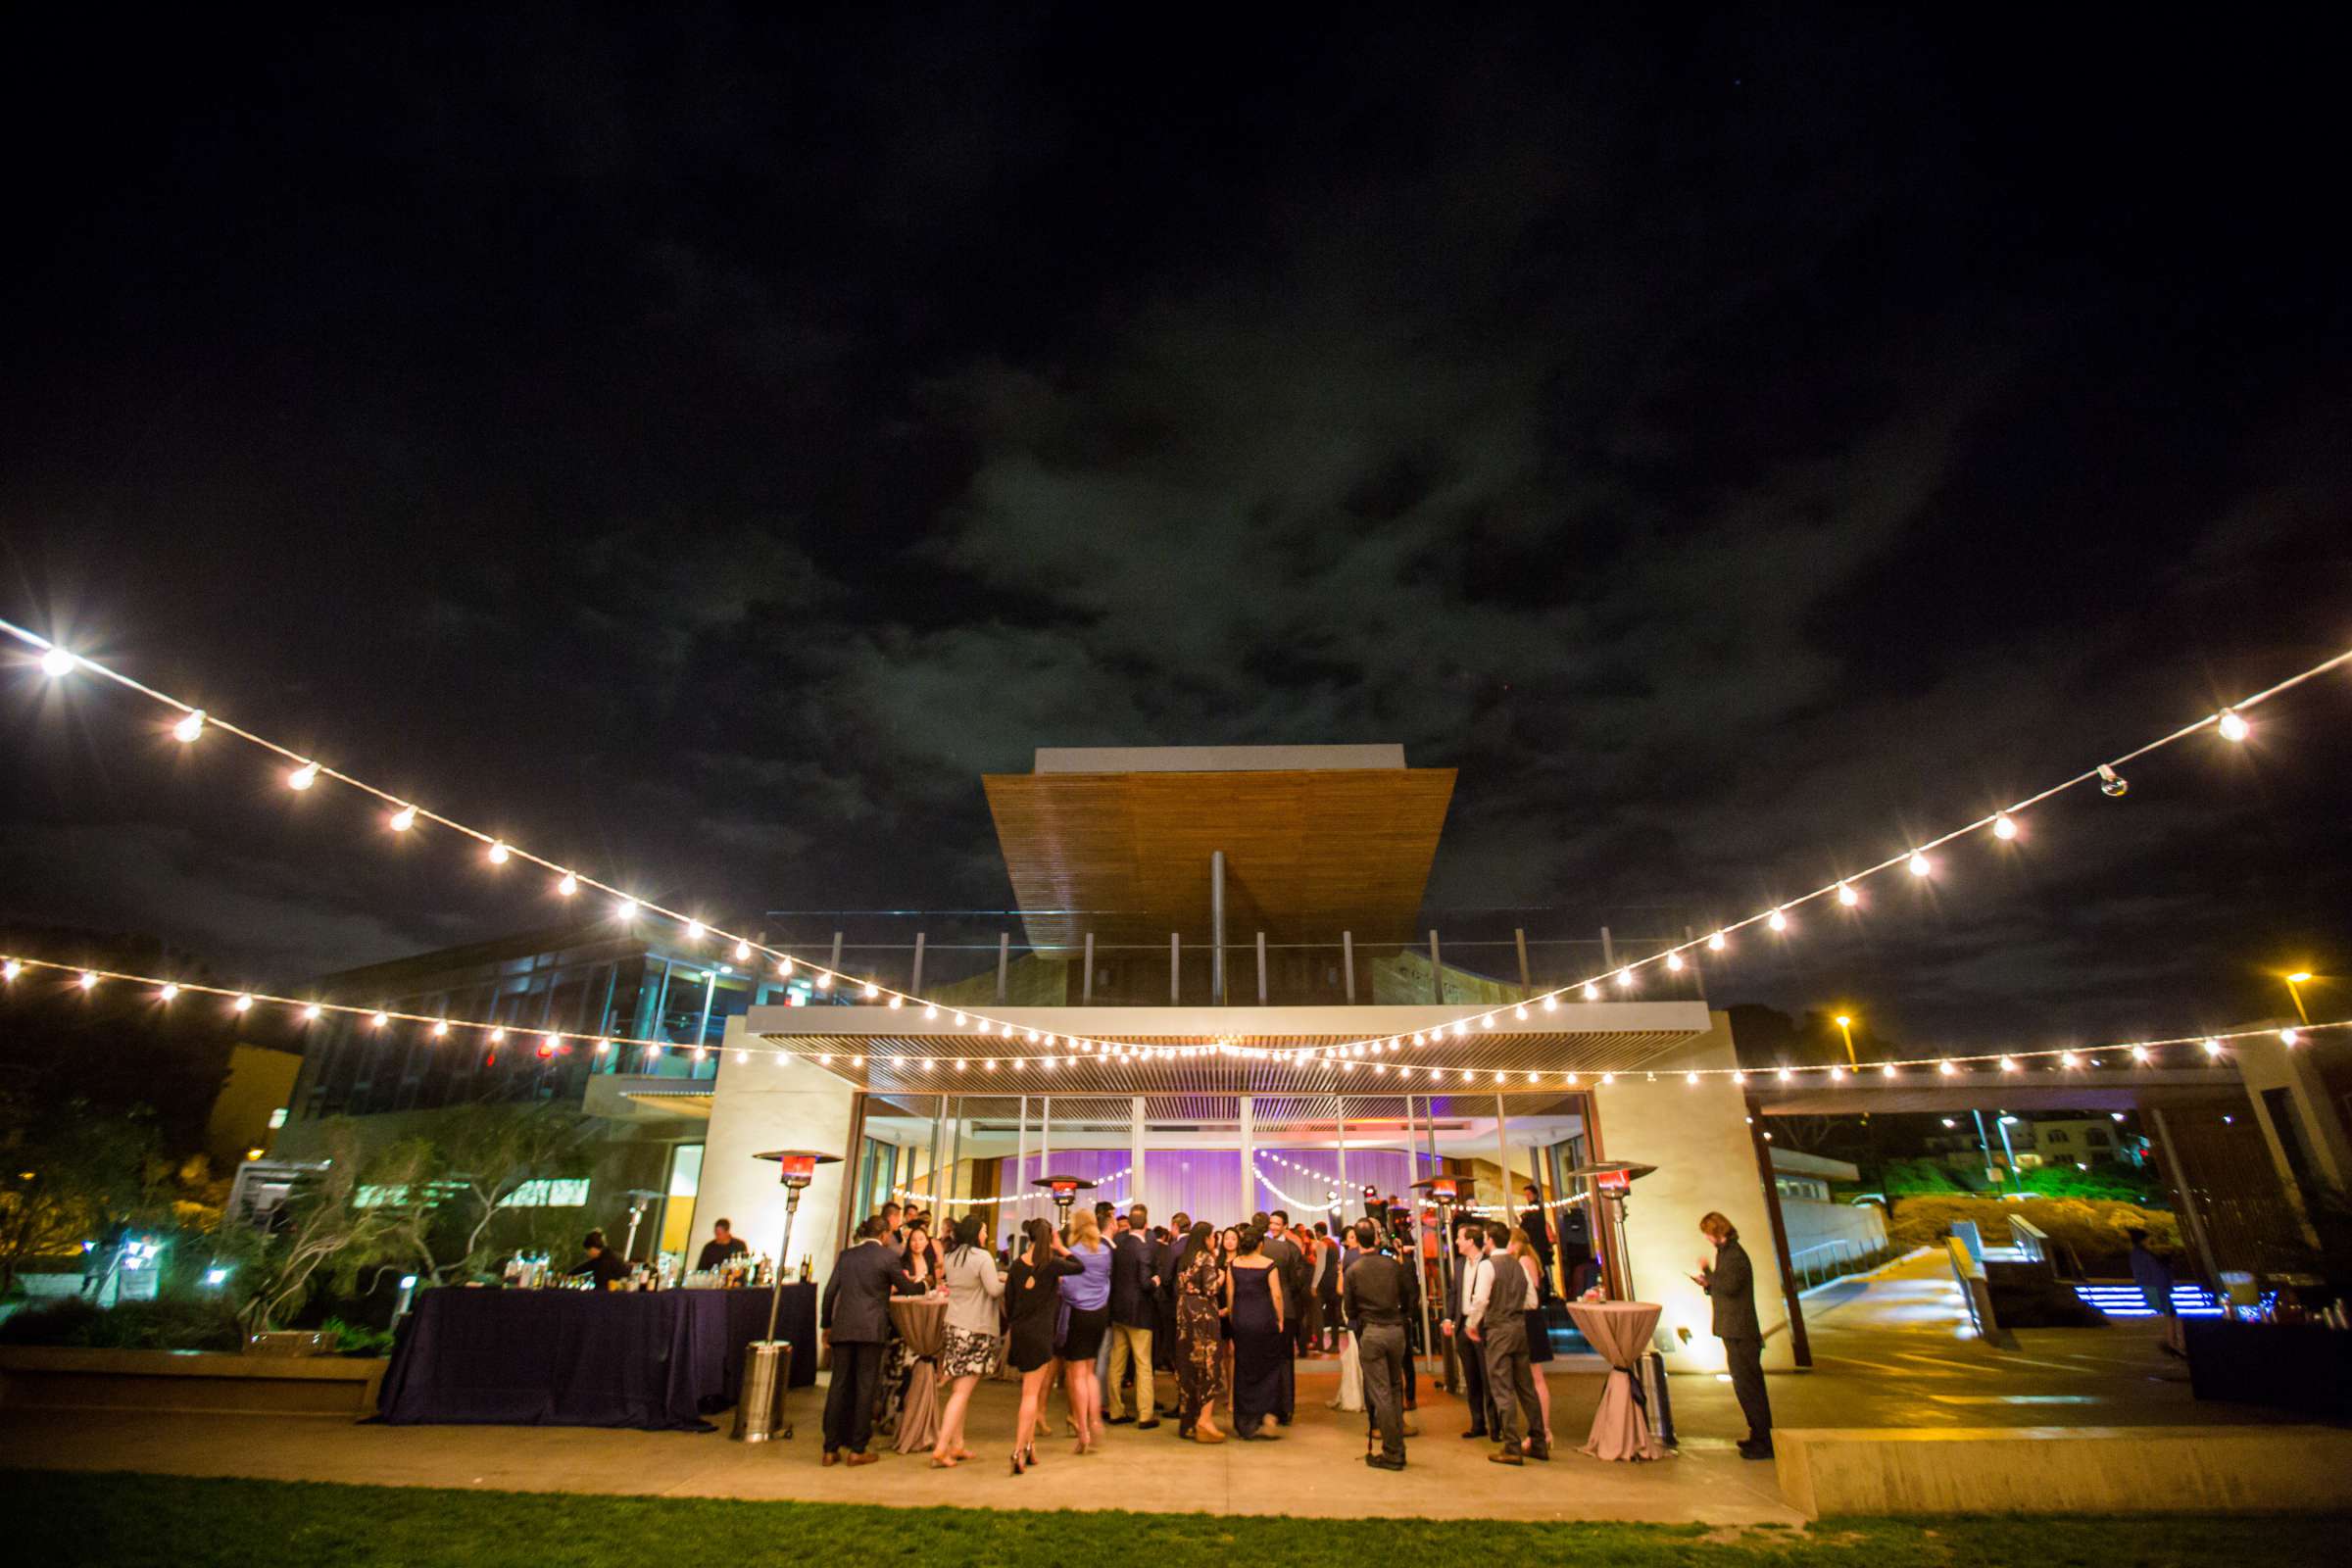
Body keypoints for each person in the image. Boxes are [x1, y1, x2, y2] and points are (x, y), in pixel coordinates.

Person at [818, 1214, 924, 1466]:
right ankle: (858, 1448)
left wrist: (826, 1325)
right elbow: (906, 1288)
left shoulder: (846, 1256)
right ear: (885, 1235)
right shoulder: (888, 1257)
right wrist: (924, 1286)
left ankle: (830, 1448)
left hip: (843, 1328)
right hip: (871, 1329)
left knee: (838, 1386)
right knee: (866, 1387)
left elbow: (830, 1292)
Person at [1694, 1210, 1772, 1458]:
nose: (1706, 1238)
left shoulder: (1735, 1255)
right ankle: (1757, 1435)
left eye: (1707, 1233)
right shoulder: (1726, 1254)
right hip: (1733, 1329)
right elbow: (1724, 1287)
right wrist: (1709, 1282)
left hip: (1741, 1331)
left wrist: (1708, 1274)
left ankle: (1764, 1440)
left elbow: (1730, 1286)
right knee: (1744, 1385)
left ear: (1717, 1232)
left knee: (1750, 1386)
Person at [1005, 1217, 1079, 1476]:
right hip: (1041, 1334)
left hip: (1021, 1332)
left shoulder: (1015, 1266)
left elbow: (1009, 1304)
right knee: (1030, 1396)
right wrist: (1061, 1246)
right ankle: (1017, 1449)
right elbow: (1079, 1266)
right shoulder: (1051, 1265)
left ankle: (1030, 1447)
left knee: (1029, 1392)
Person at [931, 1214, 1003, 1469]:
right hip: (976, 1327)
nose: (986, 1235)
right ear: (976, 1234)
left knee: (958, 1390)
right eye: (984, 1231)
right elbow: (993, 1290)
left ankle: (957, 1444)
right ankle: (941, 1448)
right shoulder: (982, 1258)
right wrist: (1008, 1282)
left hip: (954, 1325)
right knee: (962, 1392)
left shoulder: (951, 1257)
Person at [1475, 1220, 1546, 1464]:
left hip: (1498, 1330)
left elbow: (1481, 1300)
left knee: (1502, 1387)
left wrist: (1472, 1324)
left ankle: (1512, 1446)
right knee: (1526, 1387)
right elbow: (1532, 1302)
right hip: (1519, 1329)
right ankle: (1539, 1442)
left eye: (1485, 1237)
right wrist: (1514, 1306)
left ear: (1490, 1240)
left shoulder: (1488, 1266)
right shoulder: (1519, 1266)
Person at [1344, 1218, 1412, 1470]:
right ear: (1375, 1238)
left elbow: (1349, 1309)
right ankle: (1398, 1447)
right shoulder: (1393, 1266)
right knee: (1394, 1389)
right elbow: (1407, 1295)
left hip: (1372, 1331)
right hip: (1395, 1331)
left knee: (1381, 1393)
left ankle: (1393, 1451)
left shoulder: (1354, 1270)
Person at [1057, 1206, 1113, 1455]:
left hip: (1078, 1313)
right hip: (1100, 1313)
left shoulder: (1073, 1254)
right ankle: (1095, 1419)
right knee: (1090, 1370)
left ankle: (1082, 1430)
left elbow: (1067, 1286)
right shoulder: (1104, 1252)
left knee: (1076, 1373)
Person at [1225, 1226, 1288, 1440]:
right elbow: (1277, 1295)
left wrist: (1234, 1319)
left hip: (1242, 1320)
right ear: (1261, 1244)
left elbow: (1230, 1294)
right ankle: (1268, 1415)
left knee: (1243, 1368)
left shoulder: (1233, 1265)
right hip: (1264, 1320)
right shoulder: (1269, 1265)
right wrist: (1280, 1319)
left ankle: (1245, 1422)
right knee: (1268, 1367)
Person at [1105, 1203, 1161, 1427]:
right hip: (1140, 1313)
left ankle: (1116, 1411)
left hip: (1118, 1311)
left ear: (1128, 1224)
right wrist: (1155, 1281)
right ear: (1146, 1225)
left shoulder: (1118, 1244)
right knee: (1143, 1364)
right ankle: (1145, 1414)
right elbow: (1145, 1283)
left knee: (1116, 1363)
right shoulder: (1145, 1248)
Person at [1171, 1221, 1228, 1442]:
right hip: (1203, 1315)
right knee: (1208, 1365)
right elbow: (1211, 1288)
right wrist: (1221, 1276)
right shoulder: (1206, 1257)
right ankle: (1205, 1421)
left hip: (1184, 1313)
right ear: (1206, 1237)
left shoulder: (1185, 1257)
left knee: (1188, 1367)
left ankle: (1188, 1423)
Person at [1443, 1215, 1494, 1440]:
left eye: (1460, 1238)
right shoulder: (1460, 1264)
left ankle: (1496, 1425)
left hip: (1483, 1327)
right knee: (1472, 1377)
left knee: (1488, 1376)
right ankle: (1477, 1423)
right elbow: (1454, 1293)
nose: (1456, 1242)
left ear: (1471, 1241)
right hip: (1463, 1326)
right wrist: (1448, 1319)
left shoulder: (1489, 1263)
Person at [1506, 1226, 1555, 1451]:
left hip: (1528, 1319)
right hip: (1531, 1318)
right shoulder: (1530, 1259)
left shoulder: (1524, 1261)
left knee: (1535, 1378)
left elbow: (1528, 1292)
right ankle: (1541, 1430)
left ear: (1515, 1243)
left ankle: (1543, 1430)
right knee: (1534, 1378)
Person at [1255, 1210, 1302, 1422]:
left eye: (1277, 1224)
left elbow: (1298, 1280)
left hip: (1286, 1308)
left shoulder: (1292, 1249)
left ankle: (1285, 1408)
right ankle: (1272, 1406)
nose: (1273, 1227)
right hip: (1271, 1306)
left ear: (1285, 1226)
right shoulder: (1266, 1246)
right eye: (1271, 1223)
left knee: (1285, 1360)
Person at [2127, 1226, 2186, 1356]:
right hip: (2157, 1289)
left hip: (2151, 1289)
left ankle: (2172, 1342)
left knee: (2171, 1315)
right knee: (2172, 1316)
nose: (2149, 1241)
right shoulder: (2145, 1255)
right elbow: (2157, 1274)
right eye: (2147, 1239)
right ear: (2142, 1240)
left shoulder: (2137, 1254)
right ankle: (2173, 1343)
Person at [1517, 1185, 1556, 1300]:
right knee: (1540, 1269)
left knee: (1540, 1269)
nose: (1527, 1197)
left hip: (1538, 1245)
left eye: (1529, 1194)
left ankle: (1544, 1294)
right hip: (1537, 1244)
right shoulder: (1533, 1209)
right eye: (1526, 1195)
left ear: (1535, 1194)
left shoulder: (1536, 1209)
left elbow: (1530, 1225)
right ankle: (1544, 1293)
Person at [1314, 1221, 1344, 1349]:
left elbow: (1320, 1266)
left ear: (1318, 1232)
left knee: (1318, 1313)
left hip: (1324, 1282)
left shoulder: (1322, 1244)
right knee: (1334, 1315)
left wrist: (1314, 1285)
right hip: (1334, 1280)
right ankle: (1335, 1343)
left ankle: (1319, 1343)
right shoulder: (1334, 1244)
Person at [901, 1220, 942, 1291]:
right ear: (909, 1243)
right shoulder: (903, 1261)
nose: (917, 1243)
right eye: (913, 1240)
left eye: (921, 1239)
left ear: (927, 1242)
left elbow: (932, 1285)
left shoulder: (929, 1260)